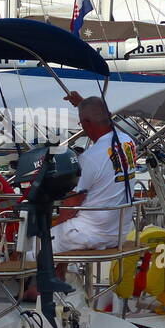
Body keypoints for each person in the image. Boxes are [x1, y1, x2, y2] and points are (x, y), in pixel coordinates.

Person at [51, 92, 138, 253]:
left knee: (29, 246)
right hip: (119, 232)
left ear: (86, 123)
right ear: (109, 115)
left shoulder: (89, 158)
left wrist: (55, 227)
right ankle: (60, 274)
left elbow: (71, 204)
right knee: (59, 236)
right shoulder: (128, 142)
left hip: (90, 234)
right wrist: (82, 104)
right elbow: (99, 117)